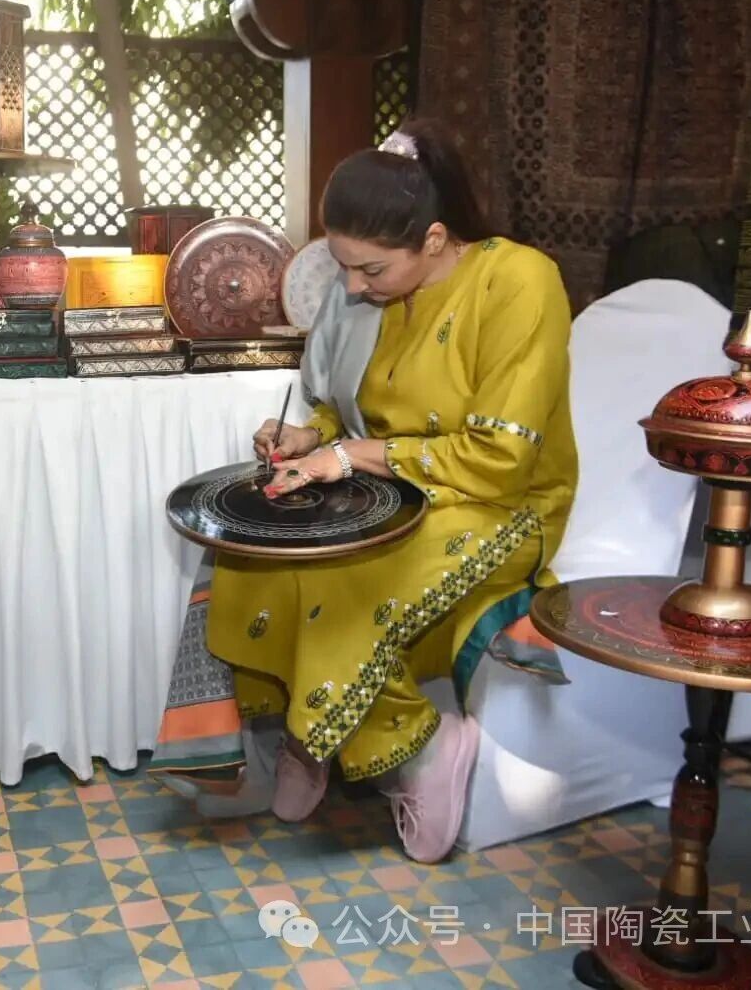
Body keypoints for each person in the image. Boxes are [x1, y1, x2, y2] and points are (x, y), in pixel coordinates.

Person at [156, 118, 578, 864]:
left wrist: (350, 456)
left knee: (335, 580)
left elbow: (503, 457)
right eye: (345, 268)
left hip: (500, 505)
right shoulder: (379, 295)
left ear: (435, 239)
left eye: (370, 270)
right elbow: (353, 409)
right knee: (251, 552)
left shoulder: (518, 281)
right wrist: (310, 438)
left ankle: (419, 749)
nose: (353, 288)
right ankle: (309, 731)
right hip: (395, 491)